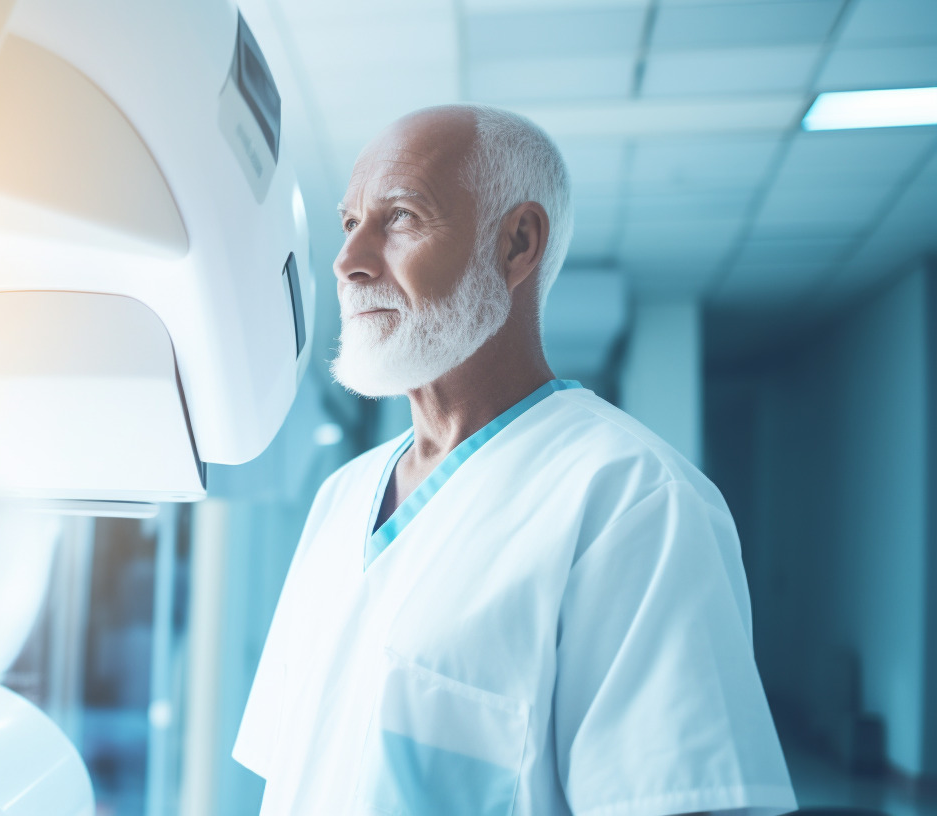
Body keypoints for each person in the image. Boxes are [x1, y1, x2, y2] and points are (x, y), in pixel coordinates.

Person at [232, 105, 797, 816]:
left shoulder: (631, 501)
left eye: (400, 218)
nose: (349, 261)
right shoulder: (340, 500)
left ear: (518, 242)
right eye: (350, 223)